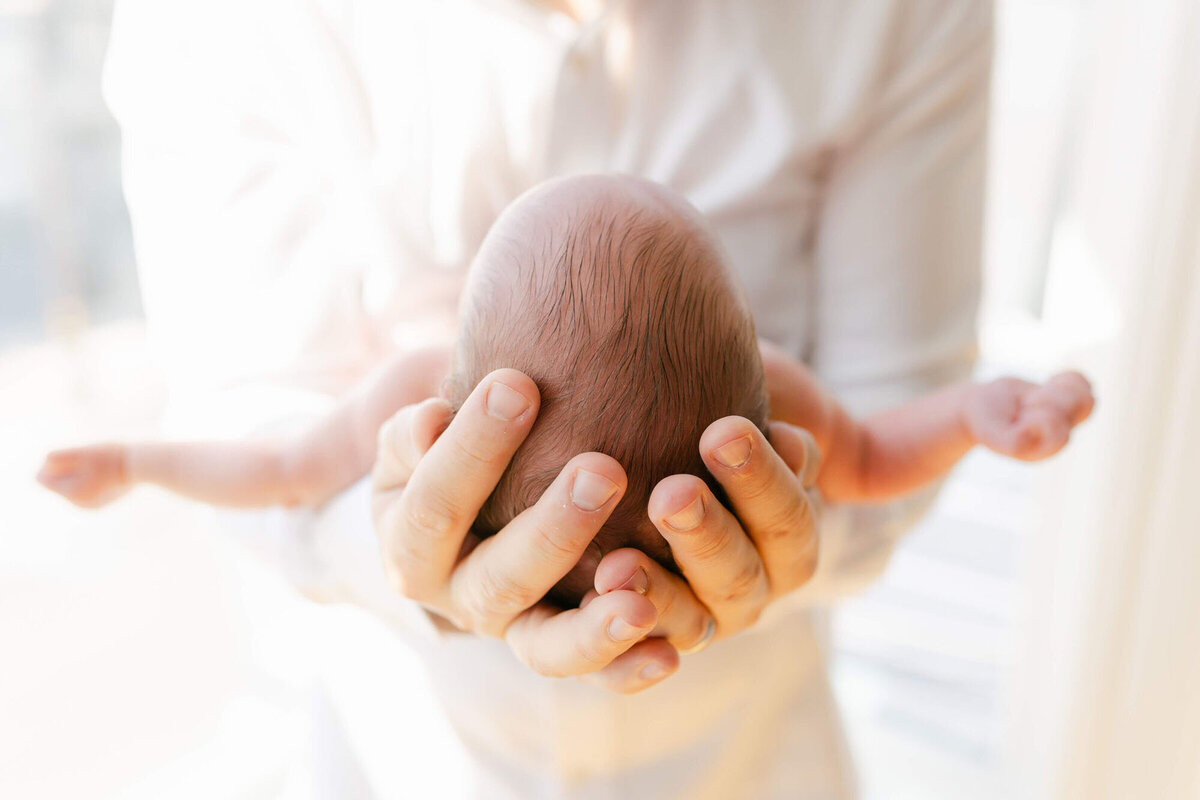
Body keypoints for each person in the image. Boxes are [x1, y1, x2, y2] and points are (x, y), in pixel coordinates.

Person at [101, 1, 997, 796]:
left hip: (746, 752)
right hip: (414, 750)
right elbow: (880, 455)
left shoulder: (423, 395)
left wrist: (143, 462)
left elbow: (276, 465)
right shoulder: (771, 404)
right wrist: (979, 418)